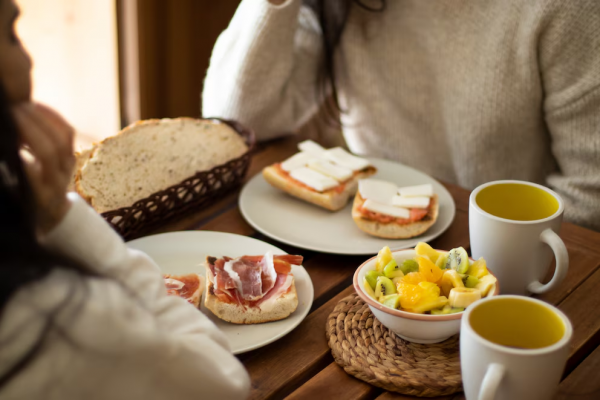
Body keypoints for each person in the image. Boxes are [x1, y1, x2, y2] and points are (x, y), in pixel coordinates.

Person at [0, 1, 250, 398]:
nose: (28, 59)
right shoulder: (61, 317)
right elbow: (226, 383)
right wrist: (65, 218)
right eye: (12, 34)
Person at [202, 0, 600, 231]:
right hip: (364, 244)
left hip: (504, 264)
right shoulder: (340, 4)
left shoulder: (565, 10)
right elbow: (237, 122)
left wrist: (470, 263)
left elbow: (590, 194)